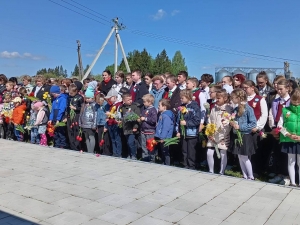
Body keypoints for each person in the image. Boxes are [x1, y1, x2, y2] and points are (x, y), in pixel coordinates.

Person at [229, 88, 257, 180]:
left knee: (245, 156)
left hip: (245, 135)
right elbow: (234, 119)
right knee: (240, 156)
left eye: (233, 97)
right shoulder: (236, 109)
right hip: (237, 135)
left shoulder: (248, 109)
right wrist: (232, 122)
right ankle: (245, 175)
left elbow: (253, 123)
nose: (232, 99)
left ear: (239, 98)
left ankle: (251, 175)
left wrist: (240, 127)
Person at [241, 80, 268, 176]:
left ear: (252, 87)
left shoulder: (260, 99)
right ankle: (246, 170)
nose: (244, 90)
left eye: (246, 88)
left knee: (256, 151)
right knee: (245, 150)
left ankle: (257, 170)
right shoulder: (242, 100)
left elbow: (264, 115)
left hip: (255, 129)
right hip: (244, 129)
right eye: (243, 88)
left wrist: (257, 127)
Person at [268, 79, 290, 183]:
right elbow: (272, 115)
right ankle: (279, 173)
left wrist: (284, 131)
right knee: (277, 153)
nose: (279, 91)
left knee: (286, 154)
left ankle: (287, 175)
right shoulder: (275, 101)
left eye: (281, 89)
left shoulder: (291, 101)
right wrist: (273, 128)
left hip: (286, 131)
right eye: (278, 89)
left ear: (287, 89)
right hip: (276, 129)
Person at [207, 89, 233, 174]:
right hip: (212, 134)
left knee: (222, 153)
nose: (216, 100)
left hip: (223, 135)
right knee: (209, 152)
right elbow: (210, 120)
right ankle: (211, 170)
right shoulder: (214, 108)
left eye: (219, 98)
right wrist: (209, 132)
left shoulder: (228, 109)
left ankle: (222, 171)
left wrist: (219, 135)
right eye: (216, 98)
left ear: (225, 98)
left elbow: (227, 125)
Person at [278, 88, 300, 187]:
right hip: (289, 140)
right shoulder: (285, 110)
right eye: (293, 101)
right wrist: (288, 135)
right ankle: (293, 182)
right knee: (291, 161)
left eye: (298, 101)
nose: (295, 103)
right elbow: (280, 126)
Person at [176, 90, 201, 169]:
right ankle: (185, 165)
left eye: (182, 98)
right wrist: (178, 131)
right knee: (184, 151)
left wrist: (186, 123)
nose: (181, 100)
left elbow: (197, 120)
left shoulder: (195, 107)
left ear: (188, 97)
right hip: (184, 133)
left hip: (192, 133)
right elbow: (178, 120)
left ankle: (191, 166)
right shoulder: (182, 107)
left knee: (191, 151)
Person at [120, 93, 140, 160]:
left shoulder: (135, 107)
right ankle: (129, 154)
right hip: (126, 128)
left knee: (131, 142)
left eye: (131, 99)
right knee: (128, 142)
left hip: (132, 128)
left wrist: (135, 127)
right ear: (124, 100)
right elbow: (122, 117)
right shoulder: (122, 107)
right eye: (128, 100)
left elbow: (137, 117)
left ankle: (134, 155)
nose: (130, 101)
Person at [79, 82, 98, 153]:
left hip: (90, 124)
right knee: (86, 138)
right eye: (86, 98)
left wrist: (94, 124)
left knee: (91, 137)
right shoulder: (84, 105)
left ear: (93, 97)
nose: (87, 99)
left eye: (89, 98)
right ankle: (88, 150)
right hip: (84, 124)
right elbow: (81, 114)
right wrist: (80, 122)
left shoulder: (94, 105)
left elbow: (95, 114)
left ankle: (91, 151)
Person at [155, 99, 175, 166]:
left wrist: (163, 137)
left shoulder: (166, 116)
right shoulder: (162, 114)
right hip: (162, 136)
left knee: (165, 151)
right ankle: (164, 163)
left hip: (165, 137)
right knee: (163, 150)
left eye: (159, 105)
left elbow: (165, 128)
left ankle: (167, 164)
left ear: (164, 107)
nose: (158, 107)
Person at [105, 89, 123, 157]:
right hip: (110, 124)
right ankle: (114, 152)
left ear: (115, 97)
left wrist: (110, 114)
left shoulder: (119, 105)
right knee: (112, 139)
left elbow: (119, 116)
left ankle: (118, 153)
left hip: (115, 124)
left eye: (110, 98)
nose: (109, 100)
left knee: (117, 139)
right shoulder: (111, 105)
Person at [66, 84, 84, 151]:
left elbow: (82, 108)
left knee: (76, 131)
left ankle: (77, 147)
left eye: (72, 93)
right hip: (69, 117)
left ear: (76, 91)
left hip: (77, 116)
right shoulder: (69, 97)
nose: (70, 94)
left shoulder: (80, 97)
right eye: (69, 93)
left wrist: (75, 108)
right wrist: (66, 115)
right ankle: (72, 146)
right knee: (70, 131)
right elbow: (67, 108)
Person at [140, 94, 157, 162]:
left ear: (149, 102)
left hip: (150, 131)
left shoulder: (153, 110)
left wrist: (145, 119)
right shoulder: (144, 110)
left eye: (144, 102)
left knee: (150, 145)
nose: (143, 103)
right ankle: (145, 158)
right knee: (143, 145)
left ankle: (152, 159)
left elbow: (153, 120)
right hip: (143, 130)